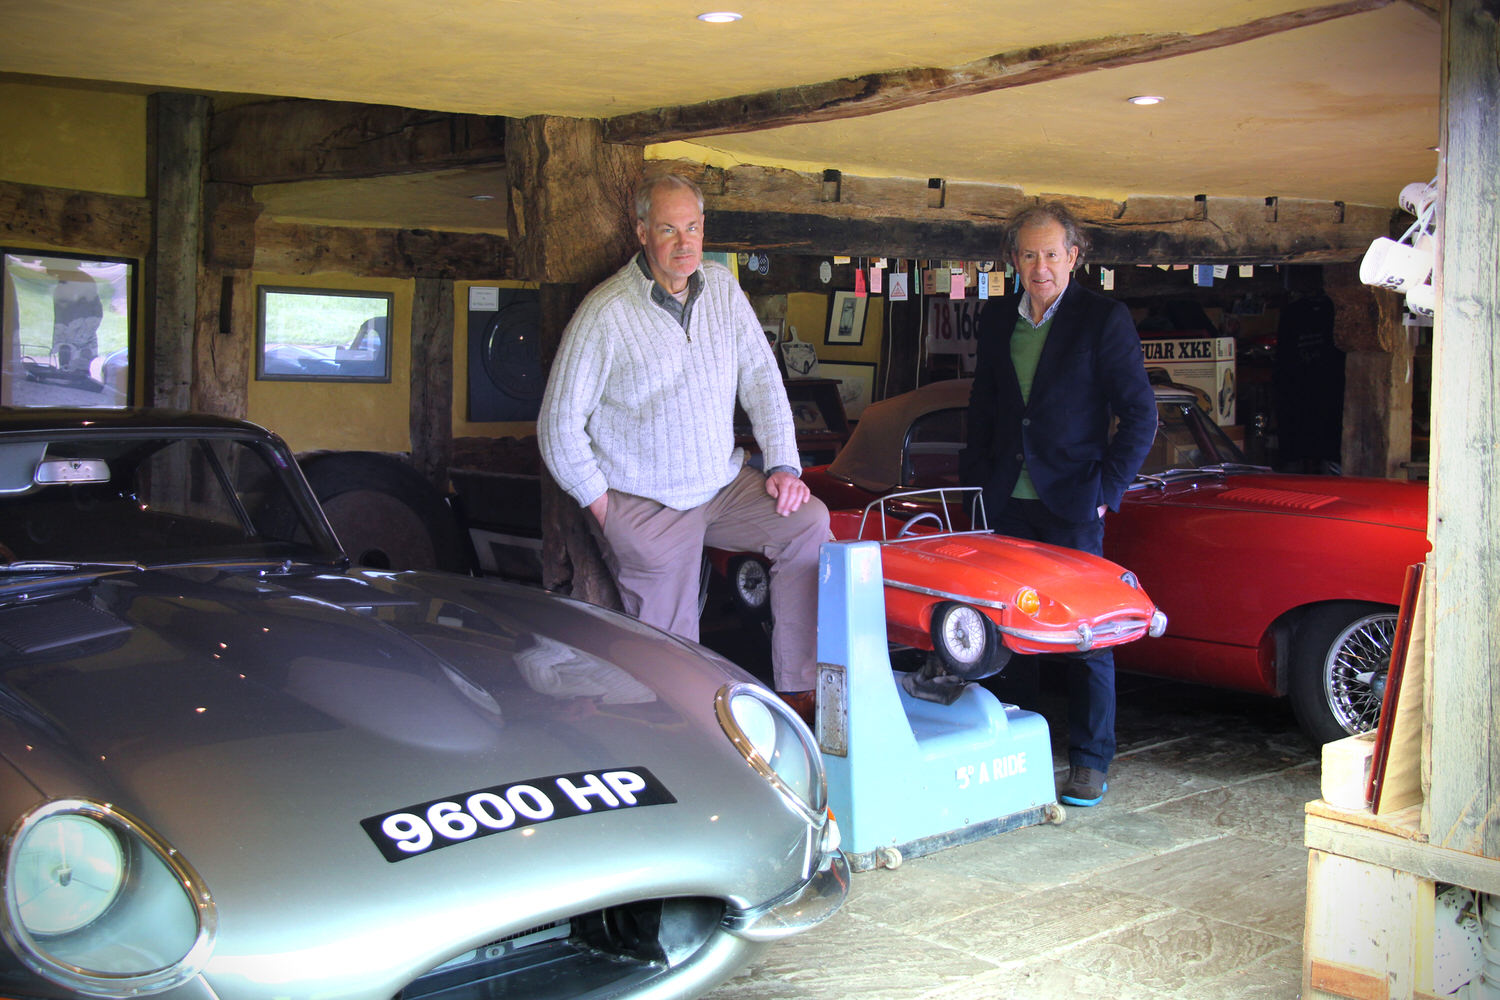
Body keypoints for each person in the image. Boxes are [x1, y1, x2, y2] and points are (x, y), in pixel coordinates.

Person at [538, 174, 829, 723]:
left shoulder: (721, 288)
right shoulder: (606, 312)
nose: (684, 242)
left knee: (808, 522)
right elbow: (557, 425)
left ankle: (798, 689)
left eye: (692, 227)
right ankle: (685, 754)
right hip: (648, 505)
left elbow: (763, 380)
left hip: (721, 486)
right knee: (672, 669)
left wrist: (785, 464)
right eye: (669, 229)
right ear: (643, 232)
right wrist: (606, 508)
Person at [959, 202, 1157, 807]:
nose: (1039, 266)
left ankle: (1091, 761)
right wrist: (974, 489)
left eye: (1051, 253)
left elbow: (1141, 416)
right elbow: (985, 412)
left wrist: (1105, 494)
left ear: (1075, 256)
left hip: (1073, 504)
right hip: (1005, 504)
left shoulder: (1104, 319)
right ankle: (1015, 751)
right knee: (1009, 632)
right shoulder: (997, 319)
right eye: (1028, 254)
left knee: (1088, 637)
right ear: (1012, 260)